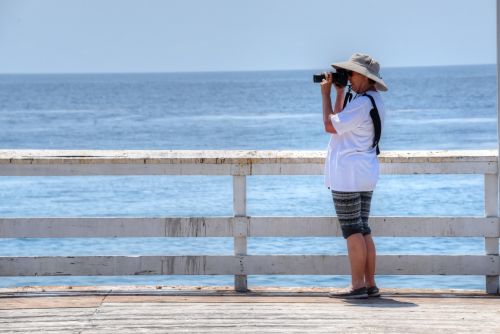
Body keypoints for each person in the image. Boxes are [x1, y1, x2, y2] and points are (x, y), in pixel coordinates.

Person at [321, 53, 388, 299]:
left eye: (350, 73)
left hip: (348, 174)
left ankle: (357, 286)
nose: (347, 77)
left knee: (352, 230)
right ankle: (370, 284)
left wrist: (325, 95)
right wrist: (339, 94)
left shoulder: (360, 104)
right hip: (365, 171)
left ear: (364, 76)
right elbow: (339, 124)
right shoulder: (372, 100)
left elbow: (329, 126)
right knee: (363, 228)